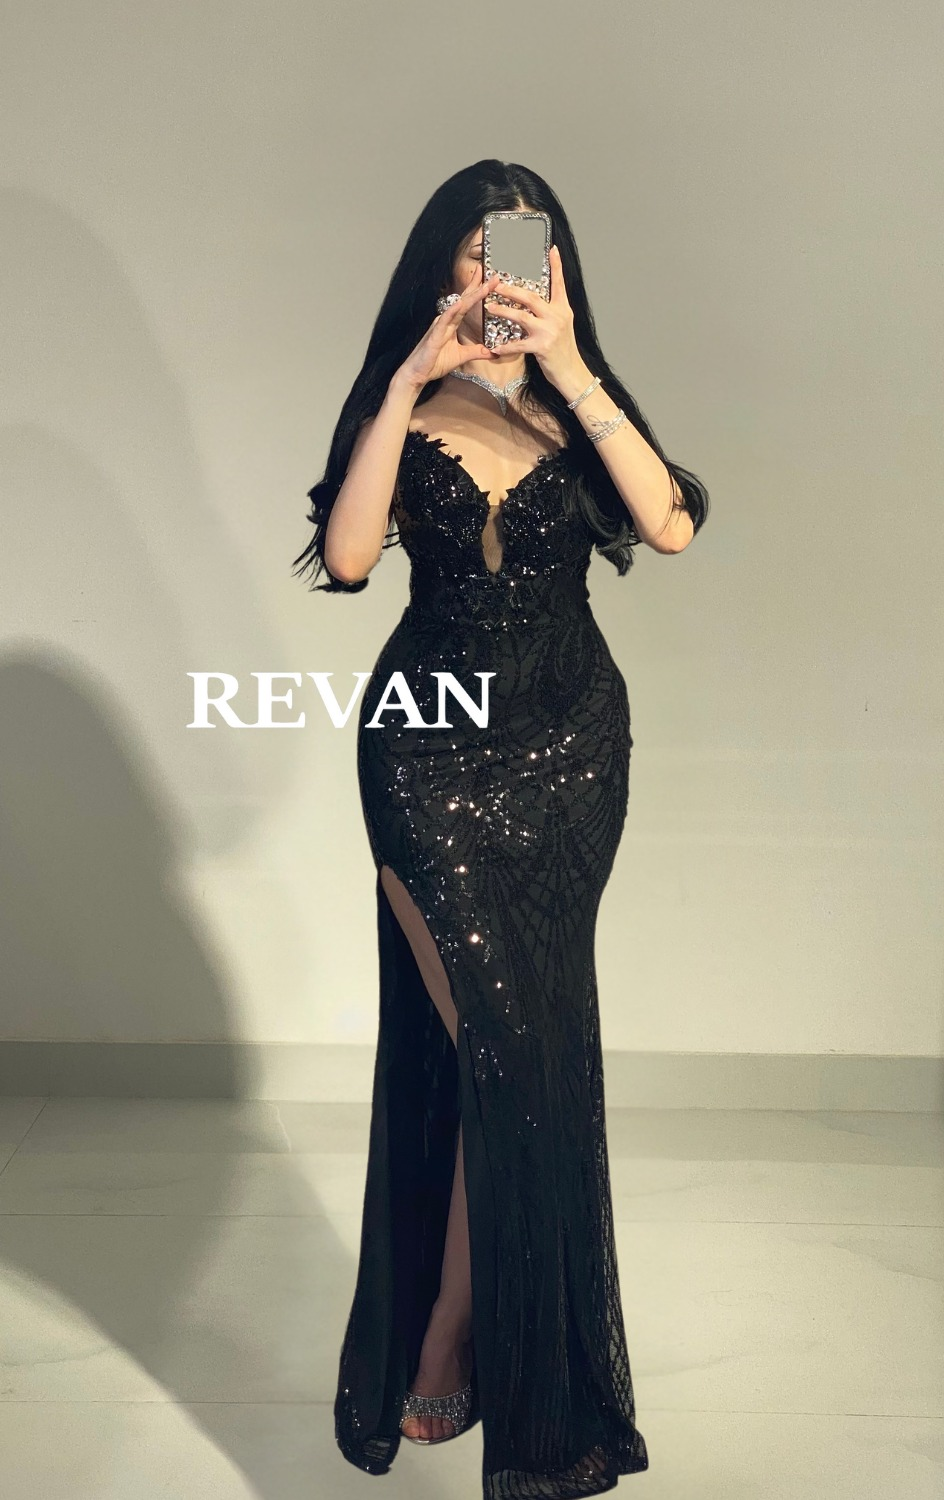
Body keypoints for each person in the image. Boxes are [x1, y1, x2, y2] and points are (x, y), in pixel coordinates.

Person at [293, 160, 709, 1500]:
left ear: (555, 268)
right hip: (425, 745)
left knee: (523, 1051)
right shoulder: (404, 401)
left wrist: (570, 364)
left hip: (570, 753)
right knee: (498, 1046)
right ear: (442, 268)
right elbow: (348, 558)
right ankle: (453, 1337)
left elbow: (668, 525)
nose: (497, 279)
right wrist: (412, 374)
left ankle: (472, 1339)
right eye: (475, 255)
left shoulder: (581, 407)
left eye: (521, 254)